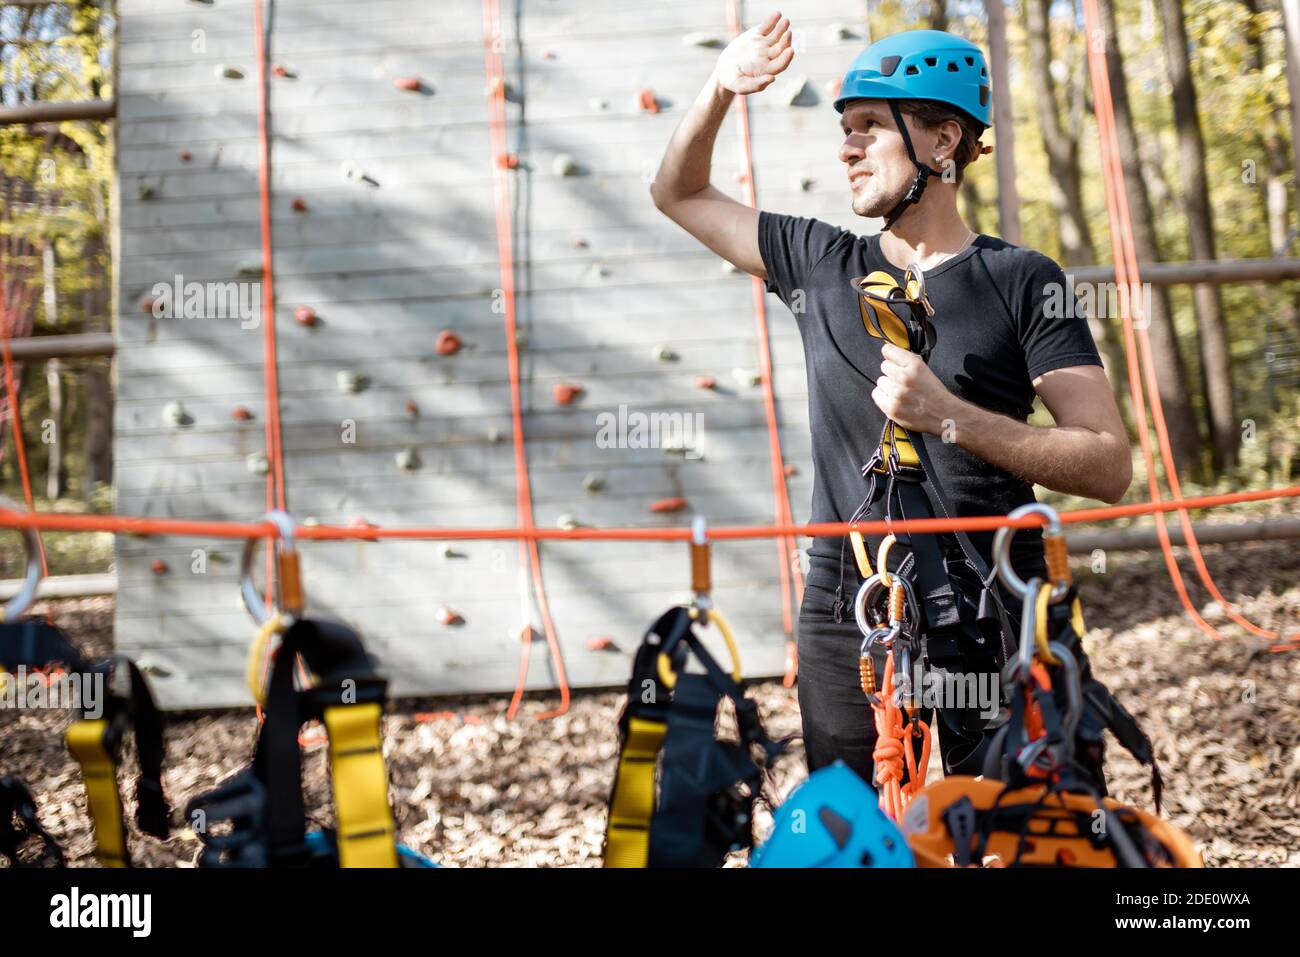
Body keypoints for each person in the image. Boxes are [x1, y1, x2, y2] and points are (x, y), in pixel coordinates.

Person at [649, 15, 1131, 785]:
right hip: (849, 595)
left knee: (1020, 826)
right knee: (851, 826)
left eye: (870, 126)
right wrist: (718, 86)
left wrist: (951, 415)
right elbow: (676, 191)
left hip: (995, 590)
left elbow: (1107, 463)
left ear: (943, 143)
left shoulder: (1022, 280)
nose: (846, 147)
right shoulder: (816, 261)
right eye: (845, 128)